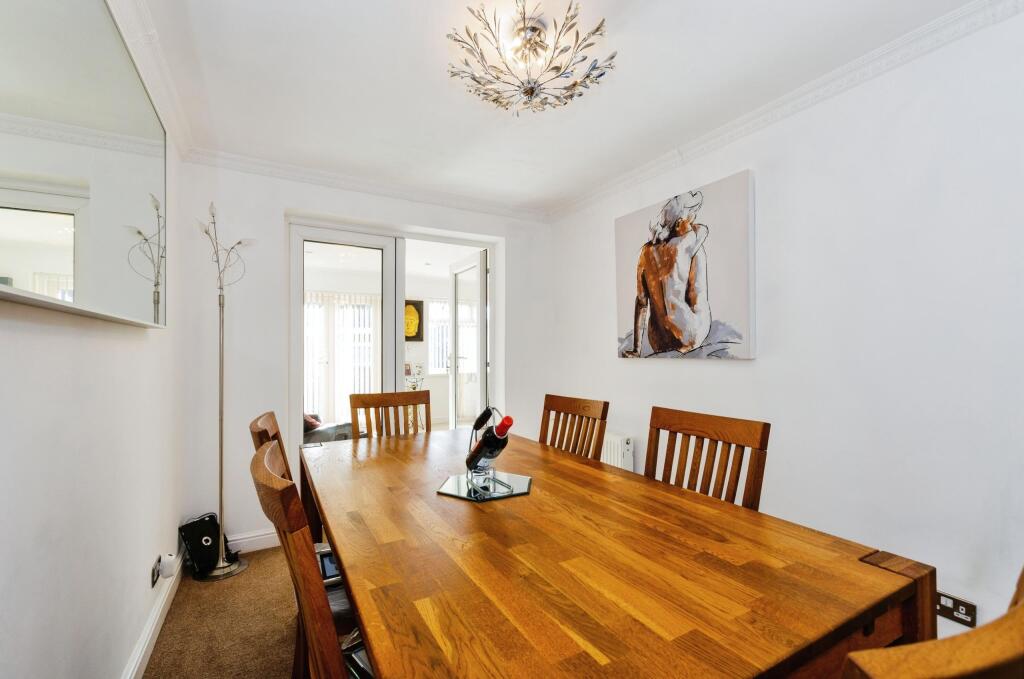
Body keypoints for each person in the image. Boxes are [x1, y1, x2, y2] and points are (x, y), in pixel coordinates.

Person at [622, 191, 712, 357]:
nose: (694, 220)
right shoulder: (688, 242)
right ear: (680, 221)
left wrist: (636, 350)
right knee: (698, 254)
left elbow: (641, 302)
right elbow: (703, 230)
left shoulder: (646, 251)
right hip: (688, 336)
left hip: (658, 340)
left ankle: (639, 347)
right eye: (692, 214)